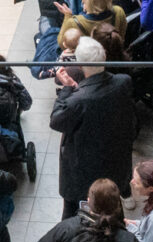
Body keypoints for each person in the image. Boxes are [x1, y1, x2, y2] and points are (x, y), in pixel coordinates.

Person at [51, 37, 137, 208]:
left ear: (80, 66)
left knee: (71, 209)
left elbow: (56, 121)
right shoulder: (123, 82)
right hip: (116, 156)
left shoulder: (78, 101)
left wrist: (67, 88)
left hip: (84, 167)